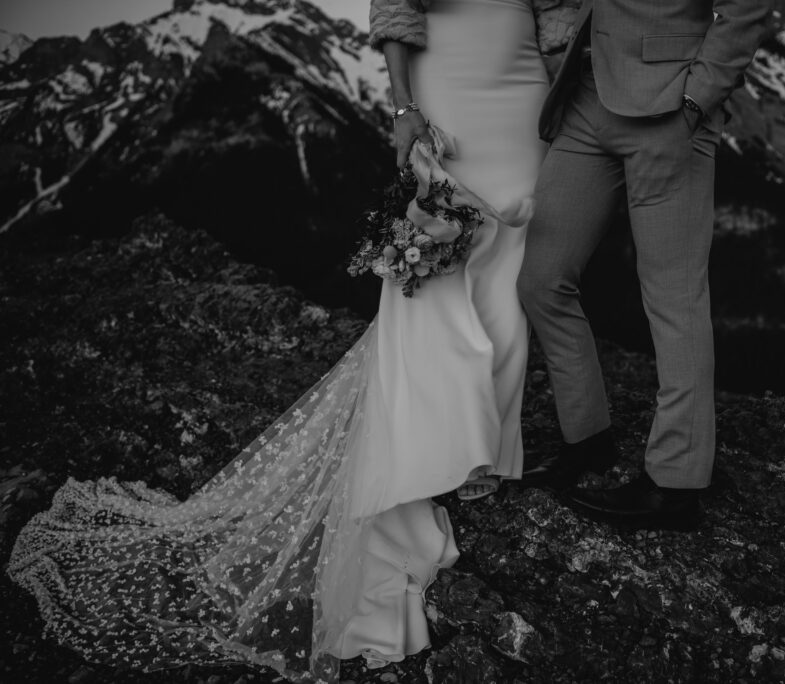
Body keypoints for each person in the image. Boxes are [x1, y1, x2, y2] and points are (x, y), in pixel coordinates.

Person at [5, 0, 549, 680]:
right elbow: (395, 9)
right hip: (450, 85)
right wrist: (404, 107)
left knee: (508, 265)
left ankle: (485, 449)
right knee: (442, 259)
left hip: (530, 93)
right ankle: (434, 449)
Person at [518, 0, 773, 531]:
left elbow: (748, 5)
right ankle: (587, 437)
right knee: (541, 279)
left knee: (674, 298)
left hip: (668, 107)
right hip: (587, 96)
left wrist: (697, 98)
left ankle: (675, 483)